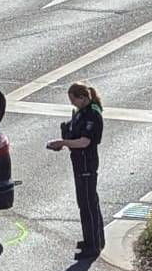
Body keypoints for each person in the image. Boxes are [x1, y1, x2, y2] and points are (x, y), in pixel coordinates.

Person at [45, 82, 106, 258]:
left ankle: (93, 246)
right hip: (79, 161)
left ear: (83, 97)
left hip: (87, 161)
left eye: (74, 100)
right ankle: (94, 239)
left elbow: (85, 141)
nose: (72, 104)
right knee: (87, 202)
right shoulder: (81, 112)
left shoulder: (92, 114)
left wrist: (63, 142)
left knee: (87, 204)